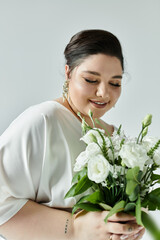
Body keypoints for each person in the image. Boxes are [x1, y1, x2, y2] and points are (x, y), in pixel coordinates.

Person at [0, 29, 145, 240]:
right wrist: (76, 228)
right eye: (91, 80)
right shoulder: (43, 120)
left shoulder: (114, 137)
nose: (104, 93)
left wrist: (127, 225)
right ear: (68, 73)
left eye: (115, 83)